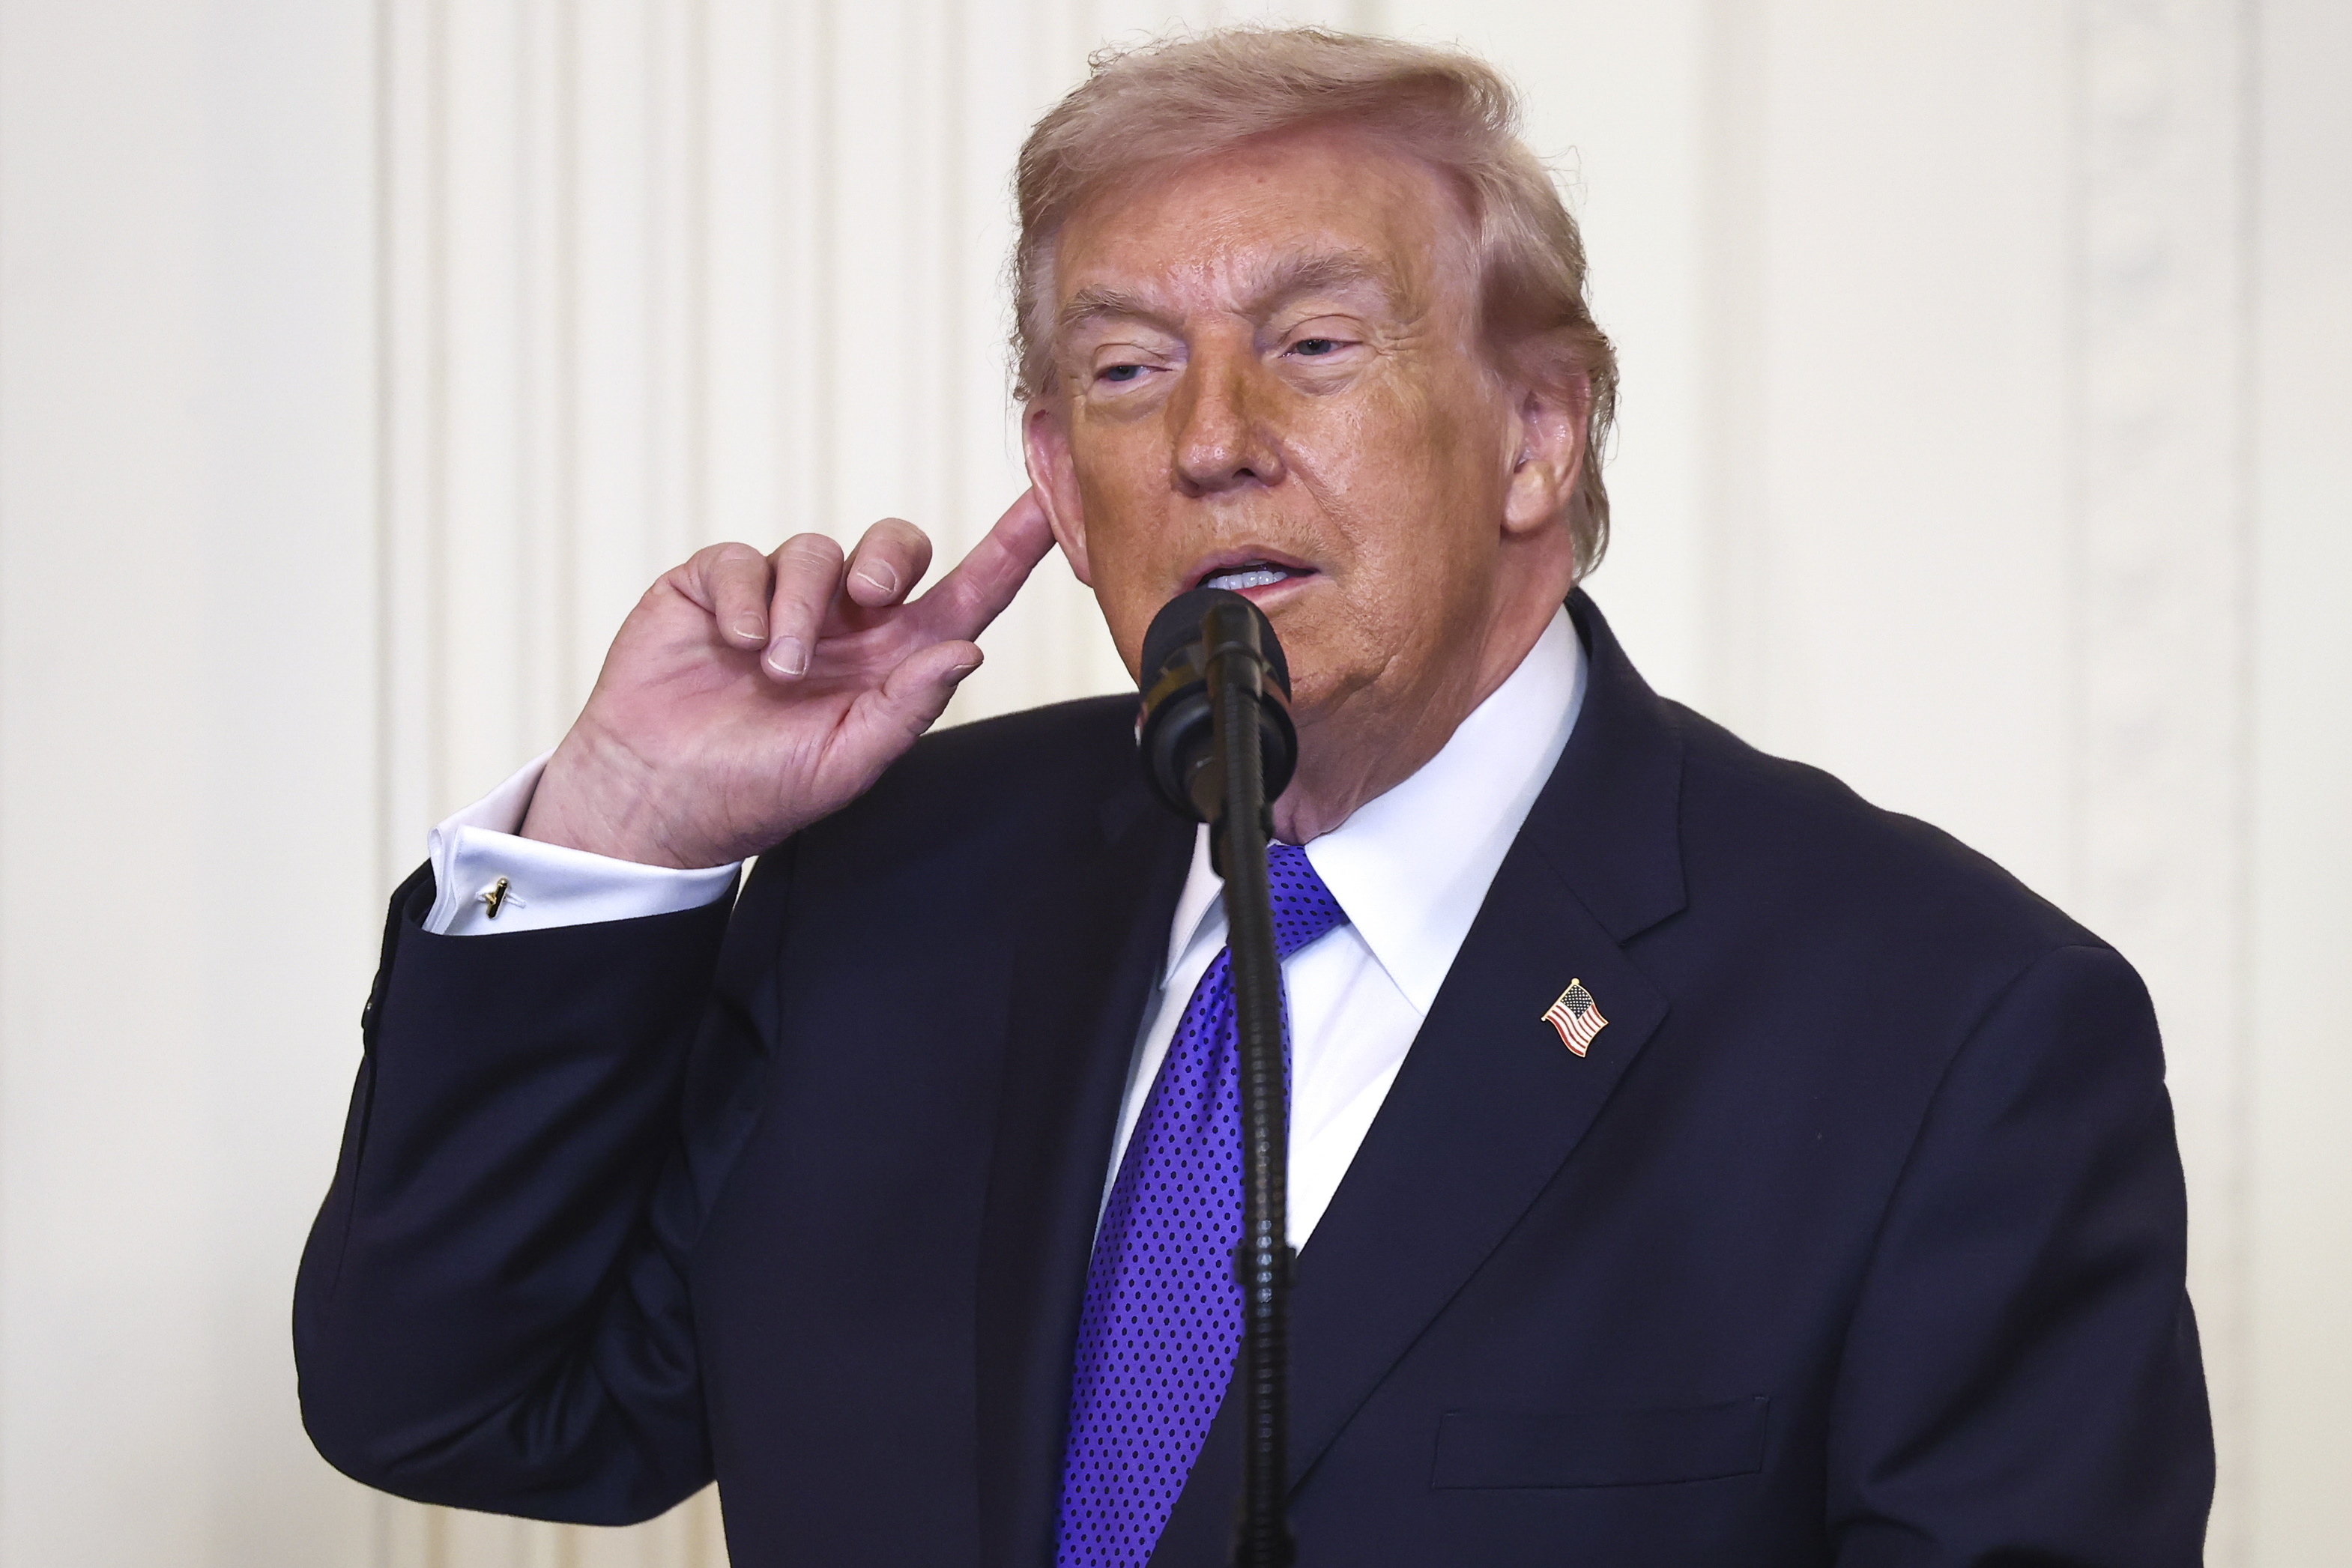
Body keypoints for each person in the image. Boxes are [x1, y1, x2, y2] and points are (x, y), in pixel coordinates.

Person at [294, 27, 2212, 1567]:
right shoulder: (885, 897)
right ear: (1054, 475)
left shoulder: (1943, 1028)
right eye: (1126, 371)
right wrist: (620, 825)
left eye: (1310, 346)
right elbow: (468, 1405)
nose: (1211, 442)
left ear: (1538, 433)